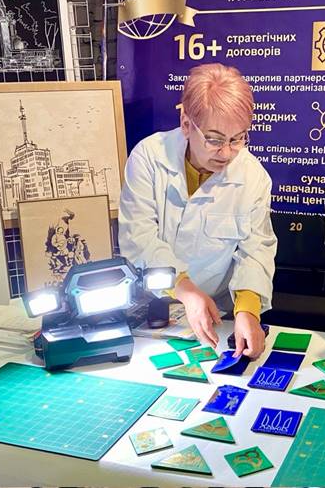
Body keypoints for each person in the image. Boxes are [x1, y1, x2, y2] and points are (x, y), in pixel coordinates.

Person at [118, 63, 276, 359]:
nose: (226, 153)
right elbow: (139, 239)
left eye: (237, 138)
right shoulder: (149, 158)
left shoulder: (253, 177)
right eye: (214, 139)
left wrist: (248, 310)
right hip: (149, 309)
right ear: (186, 124)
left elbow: (256, 251)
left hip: (217, 316)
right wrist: (186, 291)